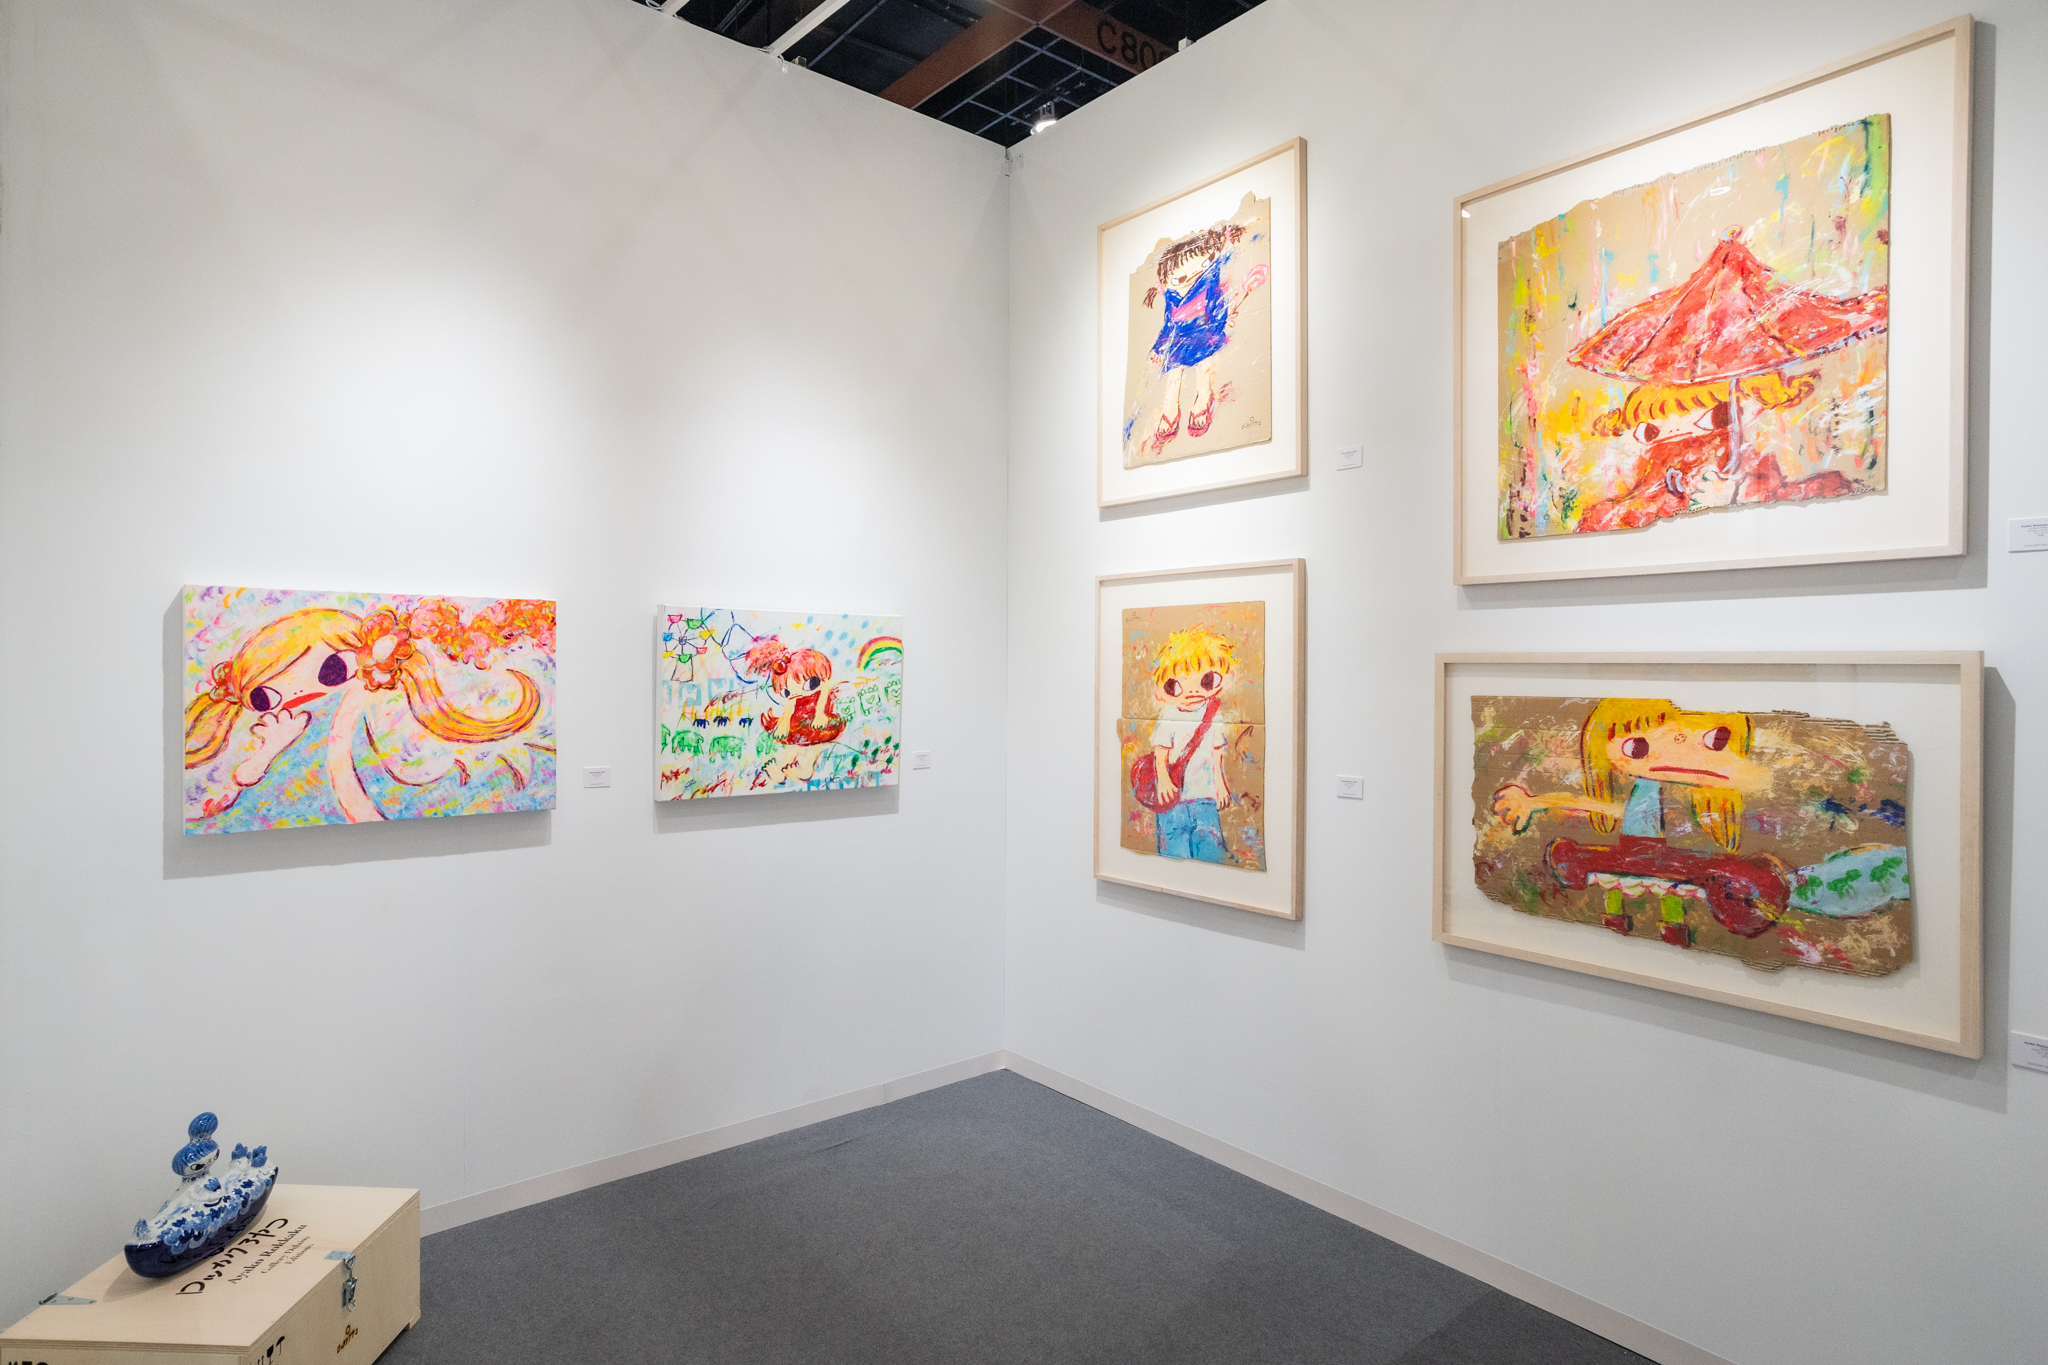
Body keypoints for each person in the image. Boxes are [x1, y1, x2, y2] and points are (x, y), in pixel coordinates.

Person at [183, 598, 550, 827]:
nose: (302, 696)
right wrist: (264, 754)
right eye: (266, 697)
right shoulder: (275, 732)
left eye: (332, 670)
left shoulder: (373, 700)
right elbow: (207, 802)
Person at [1139, 224, 1269, 451]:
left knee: (1205, 366)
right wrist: (1159, 349)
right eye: (1180, 279)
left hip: (1205, 333)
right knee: (1174, 372)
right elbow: (1168, 324)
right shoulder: (1172, 296)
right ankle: (1170, 407)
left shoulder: (1209, 281)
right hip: (1179, 340)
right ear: (1167, 282)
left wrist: (1224, 319)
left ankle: (1203, 398)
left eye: (1201, 267)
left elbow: (1218, 306)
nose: (1192, 278)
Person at [1144, 625, 1237, 863]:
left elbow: (1217, 752)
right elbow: (1161, 752)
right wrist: (1163, 780)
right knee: (1173, 854)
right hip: (1173, 798)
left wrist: (1220, 784)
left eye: (1206, 680)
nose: (1193, 691)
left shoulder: (1213, 712)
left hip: (1205, 796)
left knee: (1210, 854)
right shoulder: (1169, 713)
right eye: (1176, 685)